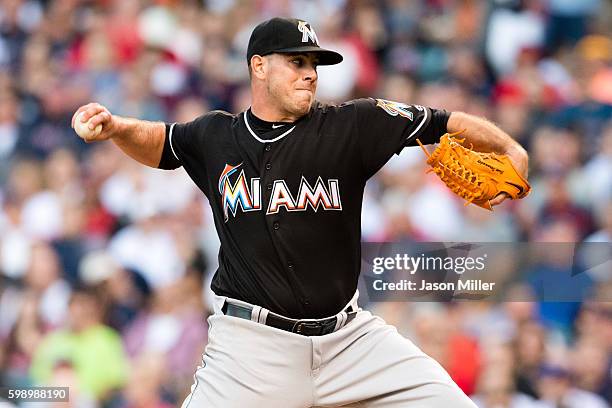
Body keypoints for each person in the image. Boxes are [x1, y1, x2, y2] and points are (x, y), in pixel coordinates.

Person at [72, 17, 528, 408]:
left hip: (350, 341)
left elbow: (443, 121)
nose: (310, 74)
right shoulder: (215, 137)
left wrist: (507, 146)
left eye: (314, 65)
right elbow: (161, 142)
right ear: (258, 66)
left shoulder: (353, 124)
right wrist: (117, 127)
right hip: (251, 349)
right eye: (297, 62)